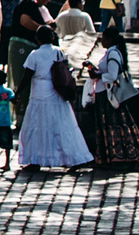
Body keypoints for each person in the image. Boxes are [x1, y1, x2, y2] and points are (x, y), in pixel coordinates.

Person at [17, 28, 95, 173]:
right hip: (57, 92)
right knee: (63, 125)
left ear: (38, 39)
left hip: (39, 93)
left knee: (37, 124)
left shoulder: (34, 55)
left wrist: (17, 93)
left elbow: (26, 76)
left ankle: (36, 159)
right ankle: (75, 158)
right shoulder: (59, 52)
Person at [86, 29, 139, 167]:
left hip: (110, 95)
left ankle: (126, 157)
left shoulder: (113, 53)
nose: (102, 40)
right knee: (109, 125)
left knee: (116, 125)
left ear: (109, 39)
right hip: (104, 92)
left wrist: (98, 76)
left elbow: (113, 75)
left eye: (103, 38)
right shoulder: (110, 53)